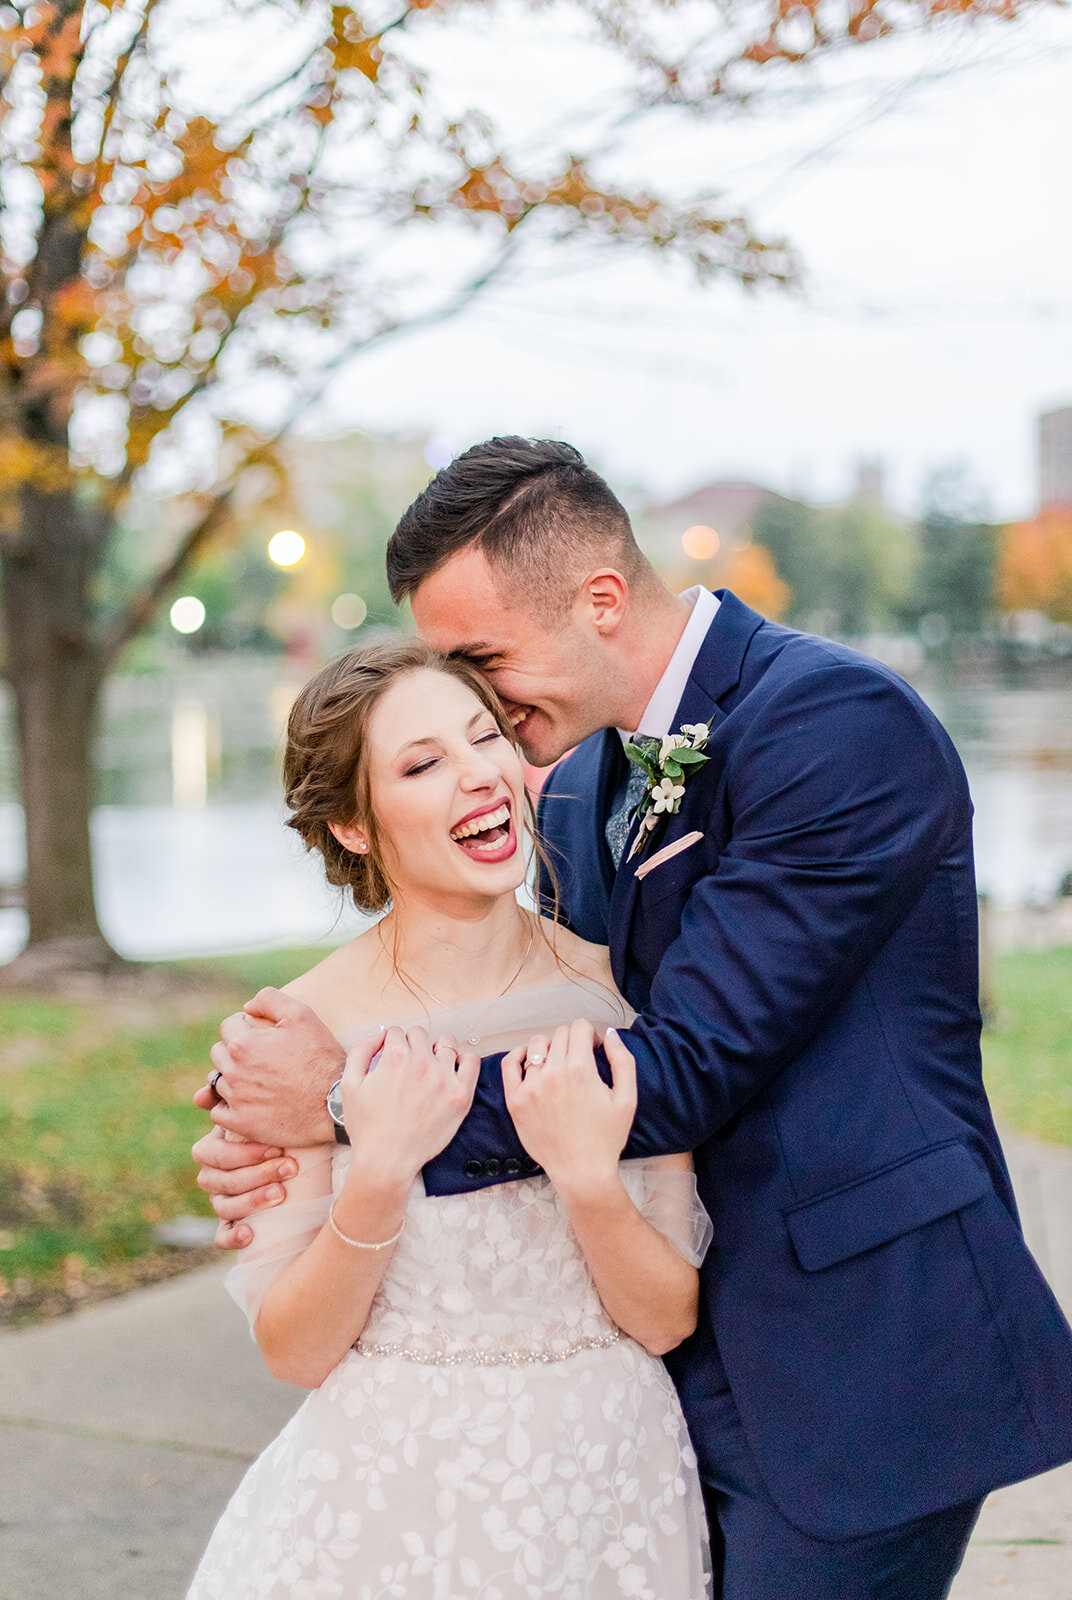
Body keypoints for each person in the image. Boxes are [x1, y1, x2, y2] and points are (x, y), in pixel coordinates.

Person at [195, 439, 1072, 1600]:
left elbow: (685, 1064)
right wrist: (287, 1134)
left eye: (484, 660)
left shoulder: (835, 725)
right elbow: (565, 1013)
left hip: (854, 1356)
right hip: (660, 1392)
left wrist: (352, 1105)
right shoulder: (581, 778)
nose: (484, 709)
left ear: (600, 599)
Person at [186, 639, 714, 1600]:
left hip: (609, 1490)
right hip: (387, 1510)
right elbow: (294, 1351)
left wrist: (590, 1182)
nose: (478, 776)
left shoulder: (615, 997)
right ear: (352, 824)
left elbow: (667, 1315)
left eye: (486, 738)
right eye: (423, 763)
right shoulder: (300, 1041)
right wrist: (378, 1172)